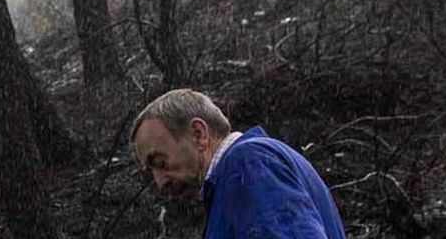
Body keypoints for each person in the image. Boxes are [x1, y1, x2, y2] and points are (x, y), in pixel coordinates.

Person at [130, 89, 346, 238]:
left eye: (160, 162)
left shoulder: (249, 163)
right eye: (151, 172)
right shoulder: (243, 173)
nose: (160, 183)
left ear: (198, 134)